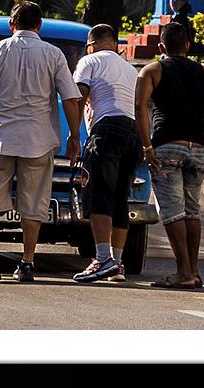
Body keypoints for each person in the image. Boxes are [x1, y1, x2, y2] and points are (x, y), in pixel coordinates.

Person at [0, 1, 82, 283]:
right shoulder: (53, 54)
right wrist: (74, 135)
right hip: (38, 140)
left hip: (1, 137)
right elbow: (70, 97)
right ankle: (27, 262)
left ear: (11, 25)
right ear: (39, 26)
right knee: (34, 202)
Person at [135, 21, 204, 289]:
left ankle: (183, 272)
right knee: (192, 212)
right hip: (198, 149)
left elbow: (140, 108)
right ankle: (193, 270)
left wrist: (147, 147)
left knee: (173, 214)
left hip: (167, 147)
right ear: (187, 46)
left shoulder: (151, 71)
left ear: (161, 47)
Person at [67, 23, 142, 283]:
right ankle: (117, 263)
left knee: (98, 194)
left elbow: (79, 96)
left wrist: (74, 136)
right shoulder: (130, 69)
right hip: (132, 133)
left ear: (91, 45)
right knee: (120, 199)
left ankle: (101, 258)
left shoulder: (89, 61)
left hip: (106, 130)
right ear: (116, 45)